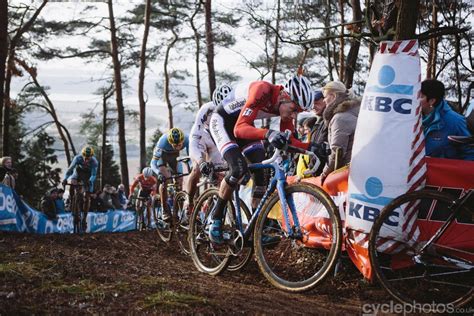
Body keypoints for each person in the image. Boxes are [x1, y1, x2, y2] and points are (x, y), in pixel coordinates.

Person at [208, 74, 325, 244]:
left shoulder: (285, 108)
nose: (294, 116)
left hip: (244, 124)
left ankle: (255, 230)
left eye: (298, 113)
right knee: (238, 169)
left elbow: (290, 140)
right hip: (222, 122)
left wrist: (311, 148)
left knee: (262, 174)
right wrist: (268, 133)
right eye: (293, 110)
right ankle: (216, 218)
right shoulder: (261, 89)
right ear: (285, 96)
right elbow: (239, 130)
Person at [186, 84, 231, 212]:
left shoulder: (235, 108)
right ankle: (189, 201)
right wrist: (200, 162)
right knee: (197, 169)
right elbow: (195, 139)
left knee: (221, 177)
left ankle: (211, 208)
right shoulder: (206, 109)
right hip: (203, 136)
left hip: (217, 138)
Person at [420, 79, 474, 160]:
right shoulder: (411, 119)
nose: (415, 99)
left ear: (432, 101)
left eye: (421, 96)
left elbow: (470, 153)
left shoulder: (455, 122)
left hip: (443, 171)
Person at [320, 81, 360, 183]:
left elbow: (337, 152)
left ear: (333, 96)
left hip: (347, 175)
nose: (324, 100)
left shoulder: (340, 118)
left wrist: (325, 173)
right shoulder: (355, 112)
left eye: (325, 96)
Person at [150, 128, 189, 221]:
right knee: (166, 179)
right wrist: (158, 173)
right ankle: (165, 210)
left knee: (180, 180)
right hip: (163, 156)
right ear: (170, 142)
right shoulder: (162, 142)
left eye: (179, 145)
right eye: (174, 145)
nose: (177, 147)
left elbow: (191, 157)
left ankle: (179, 212)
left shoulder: (187, 139)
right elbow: (153, 163)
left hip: (175, 157)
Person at [296, 116, 318, 181]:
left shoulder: (311, 142)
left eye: (300, 127)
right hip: (303, 178)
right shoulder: (305, 141)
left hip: (308, 179)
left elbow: (312, 162)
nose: (298, 130)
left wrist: (303, 174)